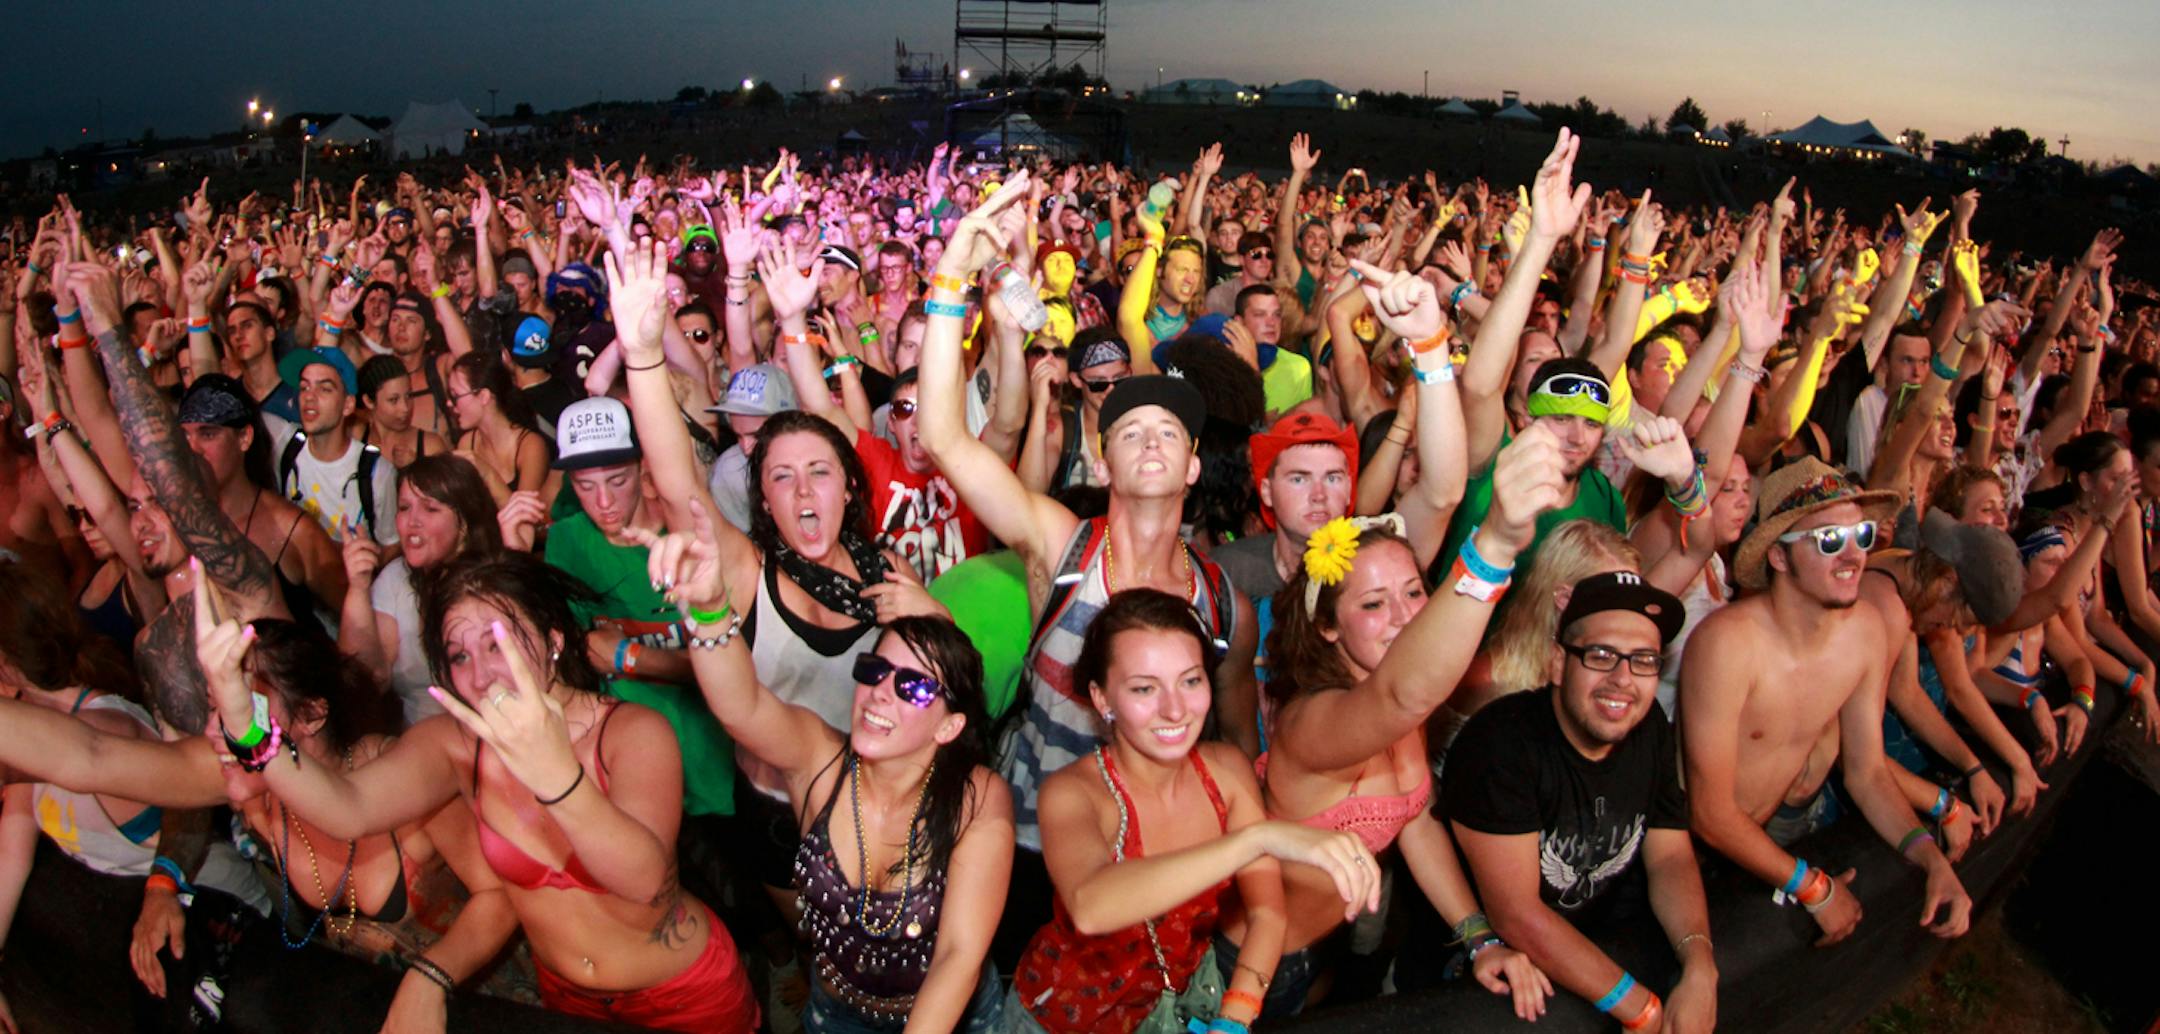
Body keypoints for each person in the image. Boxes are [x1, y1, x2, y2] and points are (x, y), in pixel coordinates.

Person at [914, 174, 1262, 956]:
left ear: (1196, 469)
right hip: (1030, 843)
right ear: (1102, 465)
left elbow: (1235, 740)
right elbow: (941, 436)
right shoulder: (1062, 546)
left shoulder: (1221, 603)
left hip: (1163, 858)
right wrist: (950, 281)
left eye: (1170, 432)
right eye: (1128, 429)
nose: (1148, 439)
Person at [200, 551, 760, 1033]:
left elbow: (641, 879)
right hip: (567, 1005)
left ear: (553, 640)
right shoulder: (456, 745)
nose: (482, 673)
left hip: (684, 997)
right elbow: (348, 810)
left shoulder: (632, 732)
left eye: (497, 643)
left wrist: (555, 777)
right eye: (460, 656)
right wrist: (243, 722)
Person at [1244, 373, 1566, 1020]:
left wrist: (1477, 937)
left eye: (1414, 592)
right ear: (1327, 626)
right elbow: (1401, 696)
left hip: (1330, 952)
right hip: (1250, 966)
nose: (1404, 616)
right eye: (1372, 603)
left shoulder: (1391, 704)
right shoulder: (1317, 721)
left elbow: (1414, 818)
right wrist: (1496, 545)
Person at [639, 502, 1014, 1031]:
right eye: (875, 669)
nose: (882, 693)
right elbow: (740, 707)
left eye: (914, 686)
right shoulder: (819, 759)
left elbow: (957, 958)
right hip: (836, 1013)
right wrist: (708, 610)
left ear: (948, 727)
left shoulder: (977, 797)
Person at [1007, 589, 1382, 1034]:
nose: (1175, 708)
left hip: (1185, 1004)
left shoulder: (1226, 771)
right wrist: (1256, 840)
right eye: (1144, 688)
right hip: (1066, 1020)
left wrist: (1237, 1014)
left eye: (1190, 680)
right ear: (1102, 698)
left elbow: (1267, 914)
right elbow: (1092, 904)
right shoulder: (1072, 793)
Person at [1684, 459, 1975, 949]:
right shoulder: (1727, 645)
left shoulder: (1865, 632)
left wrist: (1932, 859)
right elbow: (1708, 813)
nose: (1854, 554)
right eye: (1828, 541)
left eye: (1861, 534)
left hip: (1768, 835)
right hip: (1683, 848)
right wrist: (1815, 888)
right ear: (1779, 557)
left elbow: (1866, 772)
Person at [1443, 571, 1717, 1031]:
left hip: (1590, 959)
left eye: (1644, 660)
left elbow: (1669, 856)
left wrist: (1700, 967)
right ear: (1556, 662)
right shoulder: (1500, 745)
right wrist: (1641, 1010)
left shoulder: (1648, 728)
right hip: (1480, 979)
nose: (1622, 680)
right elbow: (1516, 913)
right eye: (1602, 654)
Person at [338, 455, 504, 724]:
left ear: (463, 524)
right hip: (420, 740)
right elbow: (368, 681)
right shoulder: (394, 579)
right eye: (404, 508)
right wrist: (357, 588)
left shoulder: (494, 581)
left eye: (430, 509)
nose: (412, 521)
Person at [275, 345, 401, 550]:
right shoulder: (285, 448)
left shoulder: (377, 472)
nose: (309, 397)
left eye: (324, 389)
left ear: (348, 405)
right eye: (304, 387)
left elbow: (391, 546)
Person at [447, 352, 552, 505]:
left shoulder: (530, 446)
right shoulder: (467, 442)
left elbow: (525, 517)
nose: (449, 404)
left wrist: (488, 474)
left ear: (483, 396)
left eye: (455, 396)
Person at [355, 354, 450, 469]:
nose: (405, 408)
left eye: (408, 396)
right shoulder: (355, 440)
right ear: (369, 401)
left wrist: (417, 468)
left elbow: (447, 486)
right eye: (393, 400)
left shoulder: (430, 446)